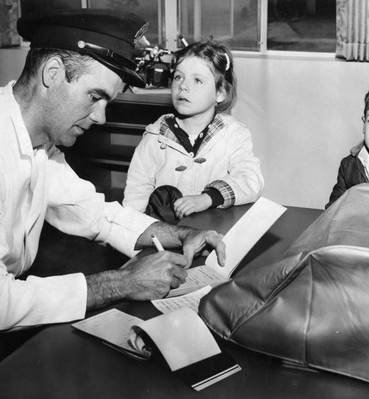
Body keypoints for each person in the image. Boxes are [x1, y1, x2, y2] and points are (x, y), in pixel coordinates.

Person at [0, 9, 226, 331]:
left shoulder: (40, 145)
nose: (101, 118)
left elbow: (97, 215)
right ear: (52, 73)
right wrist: (122, 283)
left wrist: (184, 235)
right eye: (95, 96)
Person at [122, 40, 264, 223]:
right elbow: (136, 195)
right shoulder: (155, 136)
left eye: (197, 80)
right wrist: (136, 233)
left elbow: (251, 179)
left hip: (214, 232)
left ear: (220, 93)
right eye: (178, 77)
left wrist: (209, 197)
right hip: (167, 236)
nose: (183, 86)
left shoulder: (234, 134)